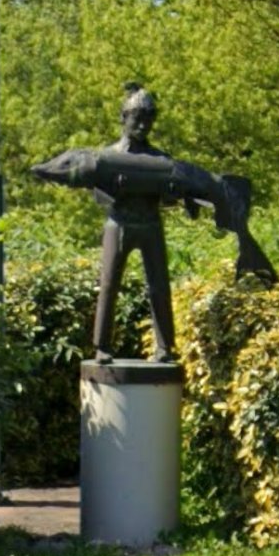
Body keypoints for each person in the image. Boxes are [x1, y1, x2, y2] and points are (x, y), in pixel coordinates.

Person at [92, 83, 178, 364]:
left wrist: (170, 192)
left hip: (151, 224)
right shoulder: (108, 157)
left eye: (148, 120)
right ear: (123, 117)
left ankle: (165, 346)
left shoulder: (161, 160)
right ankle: (102, 345)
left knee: (159, 285)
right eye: (137, 119)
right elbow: (99, 197)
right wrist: (115, 188)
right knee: (109, 284)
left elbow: (169, 201)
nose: (143, 126)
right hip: (119, 224)